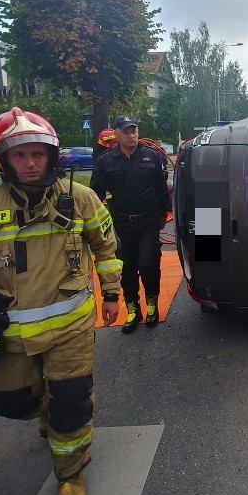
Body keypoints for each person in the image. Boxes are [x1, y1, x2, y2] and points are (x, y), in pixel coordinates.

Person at [0, 107, 122, 495]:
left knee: (71, 403)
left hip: (70, 328)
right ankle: (45, 412)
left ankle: (71, 474)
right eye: (19, 155)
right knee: (8, 399)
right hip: (10, 332)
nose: (29, 163)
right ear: (2, 160)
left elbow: (106, 249)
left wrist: (112, 293)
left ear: (51, 155)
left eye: (37, 154)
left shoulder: (79, 198)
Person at [91, 115, 170, 334]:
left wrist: (163, 214)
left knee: (148, 264)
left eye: (134, 130)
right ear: (115, 134)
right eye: (126, 131)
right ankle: (133, 308)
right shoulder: (106, 161)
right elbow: (94, 195)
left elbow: (161, 189)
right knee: (126, 268)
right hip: (121, 223)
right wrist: (97, 225)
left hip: (148, 221)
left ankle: (152, 303)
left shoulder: (151, 157)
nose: (131, 135)